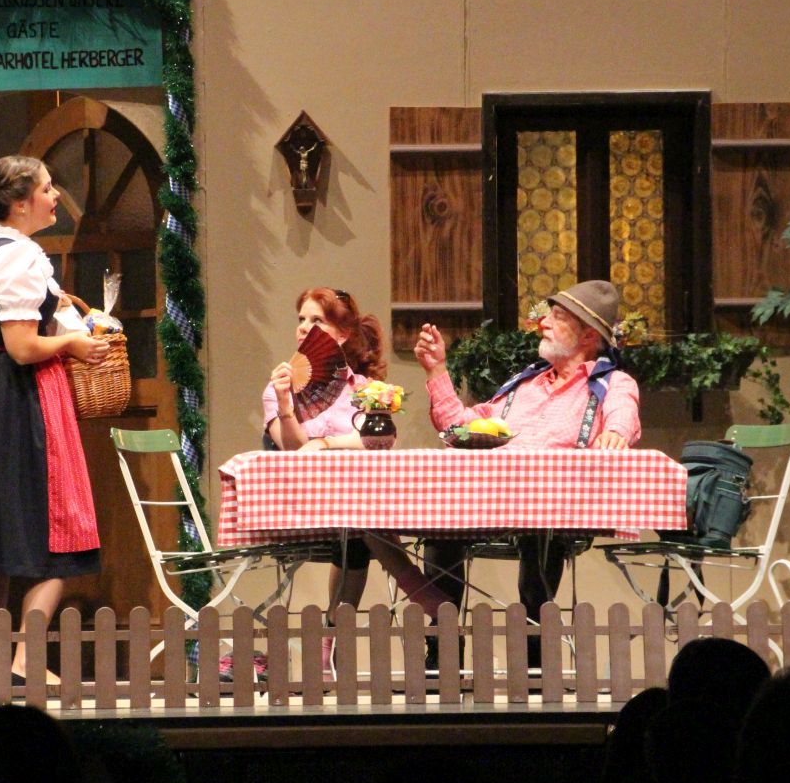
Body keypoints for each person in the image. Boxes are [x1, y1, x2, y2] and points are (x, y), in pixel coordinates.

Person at [0, 155, 110, 682]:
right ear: (21, 202)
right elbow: (23, 347)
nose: (55, 197)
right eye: (48, 189)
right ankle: (27, 661)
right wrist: (73, 344)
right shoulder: (21, 256)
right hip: (18, 395)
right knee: (56, 534)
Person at [413, 279, 641, 667]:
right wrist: (437, 370)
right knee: (441, 525)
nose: (544, 323)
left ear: (589, 335)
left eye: (558, 317)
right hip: (488, 501)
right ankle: (443, 655)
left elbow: (624, 414)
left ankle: (535, 665)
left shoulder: (610, 383)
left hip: (555, 508)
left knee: (541, 529)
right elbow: (462, 428)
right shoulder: (525, 384)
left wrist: (615, 433)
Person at [261, 287, 450, 672]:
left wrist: (325, 443)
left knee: (357, 520)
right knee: (360, 517)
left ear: (342, 334)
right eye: (301, 319)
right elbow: (293, 449)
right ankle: (413, 583)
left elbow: (377, 439)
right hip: (301, 504)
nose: (303, 328)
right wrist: (284, 406)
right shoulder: (280, 386)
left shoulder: (363, 389)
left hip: (354, 510)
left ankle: (331, 640)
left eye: (316, 320)